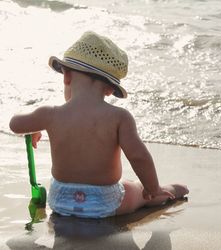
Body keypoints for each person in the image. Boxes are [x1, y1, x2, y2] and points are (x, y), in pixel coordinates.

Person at [9, 31, 188, 218]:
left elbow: (15, 124)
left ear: (66, 76)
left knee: (125, 186)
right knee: (136, 189)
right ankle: (166, 191)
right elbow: (138, 157)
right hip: (104, 202)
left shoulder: (50, 114)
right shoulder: (119, 117)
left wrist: (35, 124)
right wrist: (153, 187)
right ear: (111, 89)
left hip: (61, 201)